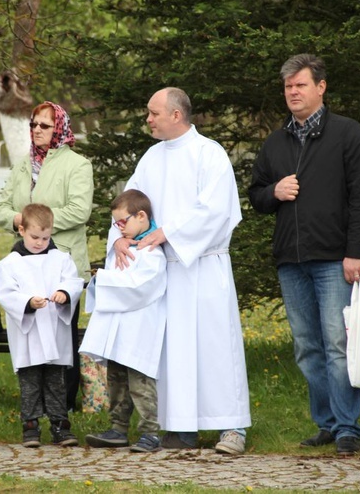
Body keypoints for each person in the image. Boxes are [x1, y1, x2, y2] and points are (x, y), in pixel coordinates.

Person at [247, 53, 360, 455]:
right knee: (307, 346)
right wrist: (275, 192)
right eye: (288, 87)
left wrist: (355, 252)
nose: (293, 92)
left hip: (335, 258)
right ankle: (325, 423)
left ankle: (347, 427)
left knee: (338, 344)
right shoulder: (276, 141)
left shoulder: (347, 133)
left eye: (300, 85)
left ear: (320, 87)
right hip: (291, 259)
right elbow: (256, 195)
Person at [111, 87, 250, 455]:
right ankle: (181, 427)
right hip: (165, 270)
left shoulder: (210, 154)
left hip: (204, 266)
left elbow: (216, 211)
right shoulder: (151, 158)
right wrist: (120, 238)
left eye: (153, 112)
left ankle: (232, 427)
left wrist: (167, 232)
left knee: (215, 347)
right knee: (172, 352)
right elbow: (130, 204)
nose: (148, 119)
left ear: (176, 115)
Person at [0, 101, 94, 410]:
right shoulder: (23, 164)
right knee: (30, 334)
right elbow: (2, 207)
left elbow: (80, 211)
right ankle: (32, 405)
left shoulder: (78, 165)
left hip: (60, 264)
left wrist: (40, 225)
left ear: (60, 130)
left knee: (61, 335)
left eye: (44, 125)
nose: (36, 130)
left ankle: (63, 406)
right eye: (33, 124)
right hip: (25, 266)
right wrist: (19, 222)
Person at [81, 189, 167, 453]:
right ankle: (117, 428)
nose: (118, 229)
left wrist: (102, 279)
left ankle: (150, 432)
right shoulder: (123, 245)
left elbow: (138, 288)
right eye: (115, 224)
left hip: (139, 330)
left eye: (122, 222)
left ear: (141, 216)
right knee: (116, 380)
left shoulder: (152, 253)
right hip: (117, 330)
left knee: (140, 383)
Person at [0, 203, 83, 447]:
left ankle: (60, 426)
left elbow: (74, 282)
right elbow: (5, 293)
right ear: (21, 230)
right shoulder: (10, 263)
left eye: (45, 237)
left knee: (56, 381)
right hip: (29, 333)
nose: (40, 242)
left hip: (54, 331)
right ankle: (30, 427)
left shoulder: (61, 259)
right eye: (35, 237)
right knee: (30, 382)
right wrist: (27, 302)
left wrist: (65, 293)